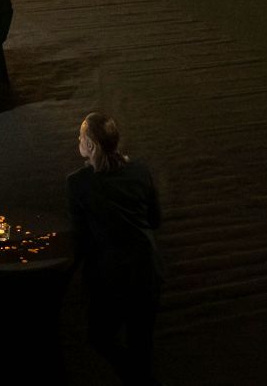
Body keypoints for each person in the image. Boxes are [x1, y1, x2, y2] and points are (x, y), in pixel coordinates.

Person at [68, 113, 162, 386]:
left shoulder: (78, 183)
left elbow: (81, 239)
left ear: (90, 145)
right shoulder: (141, 171)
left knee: (99, 337)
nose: (78, 140)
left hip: (111, 276)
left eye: (81, 137)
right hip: (147, 270)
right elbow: (155, 220)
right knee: (141, 342)